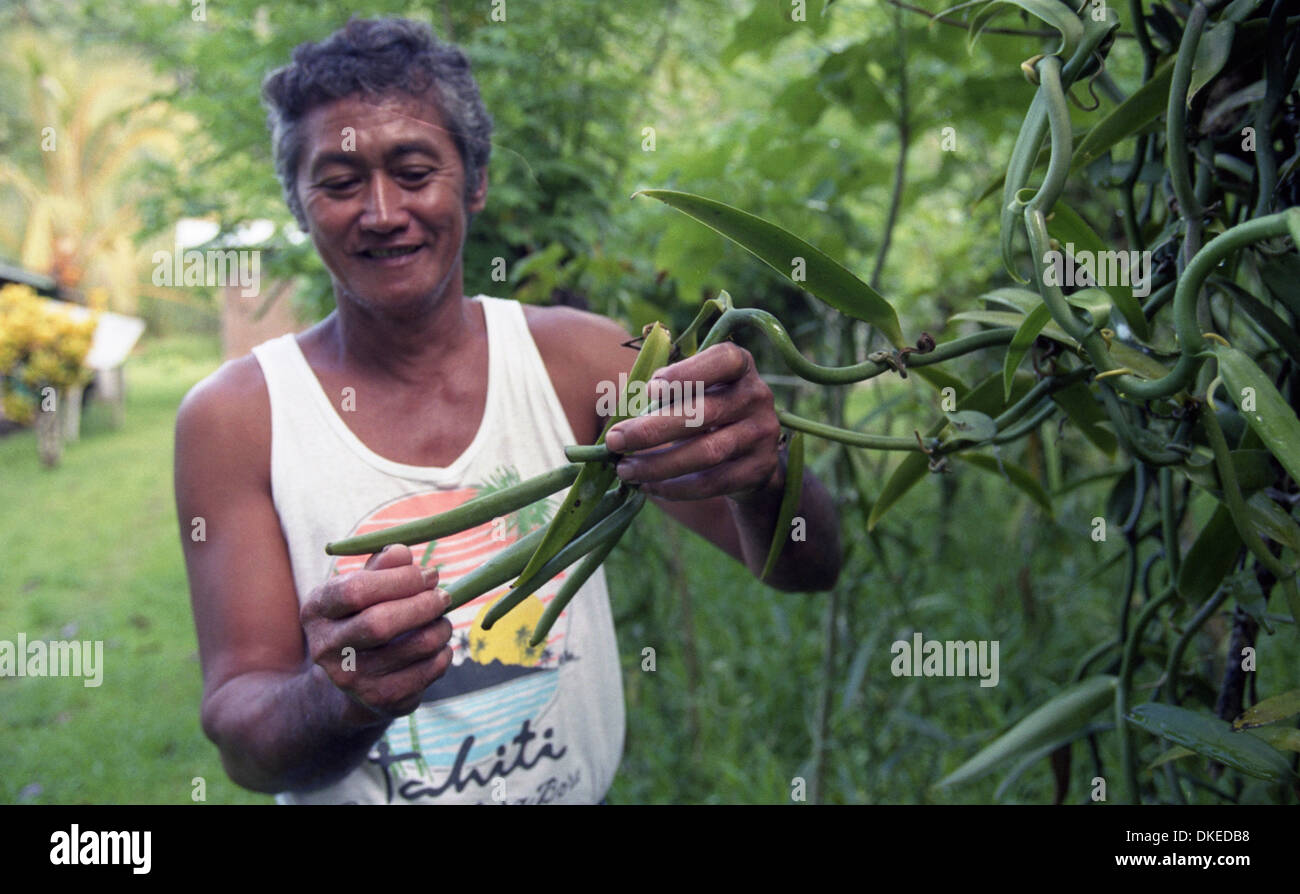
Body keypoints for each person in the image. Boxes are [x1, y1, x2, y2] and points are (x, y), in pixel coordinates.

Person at [174, 17, 841, 805]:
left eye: (415, 171)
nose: (382, 212)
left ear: (476, 180)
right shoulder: (235, 419)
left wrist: (762, 476)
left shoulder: (582, 365)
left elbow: (808, 566)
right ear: (297, 202)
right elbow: (247, 747)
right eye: (341, 182)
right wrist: (344, 698)